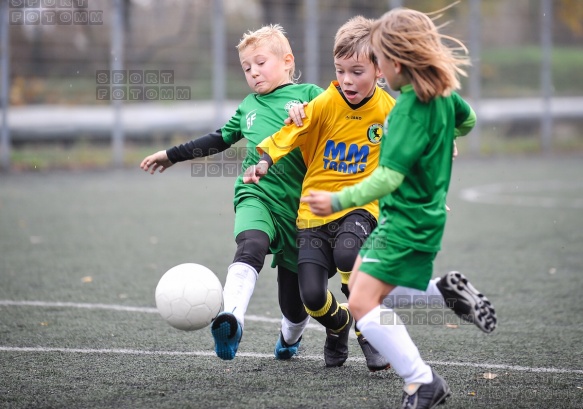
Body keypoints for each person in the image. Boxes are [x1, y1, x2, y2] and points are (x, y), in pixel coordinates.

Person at [301, 7, 496, 409]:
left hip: (402, 220)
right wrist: (439, 142)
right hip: (423, 218)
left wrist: (337, 200)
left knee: (360, 301)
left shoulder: (407, 108)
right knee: (364, 287)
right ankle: (446, 293)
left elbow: (387, 178)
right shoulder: (443, 96)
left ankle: (422, 381)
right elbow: (469, 120)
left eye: (381, 59)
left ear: (397, 61)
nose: (379, 68)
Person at [140, 24, 324, 360]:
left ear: (287, 61)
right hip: (257, 195)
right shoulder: (248, 107)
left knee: (295, 305)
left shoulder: (311, 95)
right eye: (246, 68)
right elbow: (217, 139)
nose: (253, 72)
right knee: (251, 244)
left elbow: (345, 122)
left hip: (304, 211)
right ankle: (232, 319)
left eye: (260, 63)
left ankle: (289, 337)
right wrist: (172, 155)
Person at [243, 16, 396, 371]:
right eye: (340, 70)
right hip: (312, 213)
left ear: (379, 70)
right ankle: (340, 325)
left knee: (347, 254)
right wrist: (264, 161)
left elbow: (415, 144)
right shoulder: (325, 103)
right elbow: (289, 134)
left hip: (359, 207)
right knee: (311, 297)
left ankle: (368, 333)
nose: (346, 80)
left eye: (356, 71)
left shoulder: (390, 110)